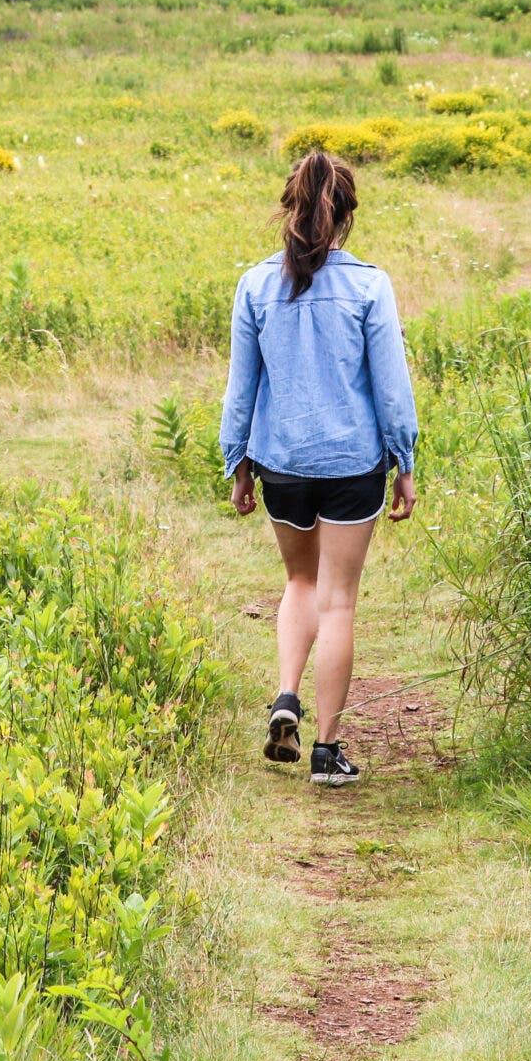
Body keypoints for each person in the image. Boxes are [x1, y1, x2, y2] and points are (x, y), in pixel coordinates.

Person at [219, 148, 419, 788]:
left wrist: (239, 463)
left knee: (299, 584)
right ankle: (328, 754)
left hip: (281, 463)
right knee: (338, 603)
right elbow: (391, 388)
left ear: (290, 209)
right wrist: (405, 461)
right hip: (352, 462)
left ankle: (285, 697)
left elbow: (240, 388)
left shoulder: (255, 285)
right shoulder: (368, 285)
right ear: (346, 216)